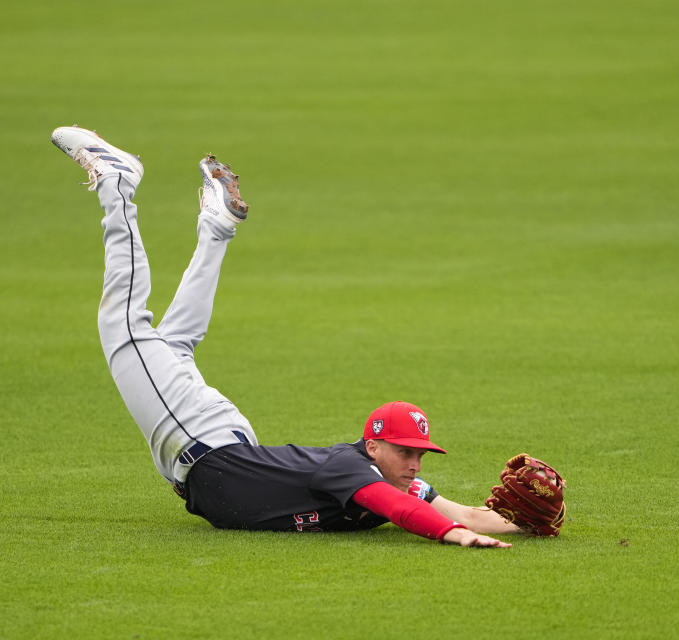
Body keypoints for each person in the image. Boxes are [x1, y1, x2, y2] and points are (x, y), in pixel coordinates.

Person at [51, 125, 519, 548]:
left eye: (419, 454)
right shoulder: (352, 469)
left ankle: (215, 228)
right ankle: (118, 185)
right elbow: (402, 511)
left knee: (171, 347)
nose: (415, 465)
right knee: (128, 329)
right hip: (199, 439)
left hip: (216, 442)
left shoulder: (396, 482)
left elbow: (467, 513)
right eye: (405, 453)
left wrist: (527, 524)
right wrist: (451, 534)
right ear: (373, 446)